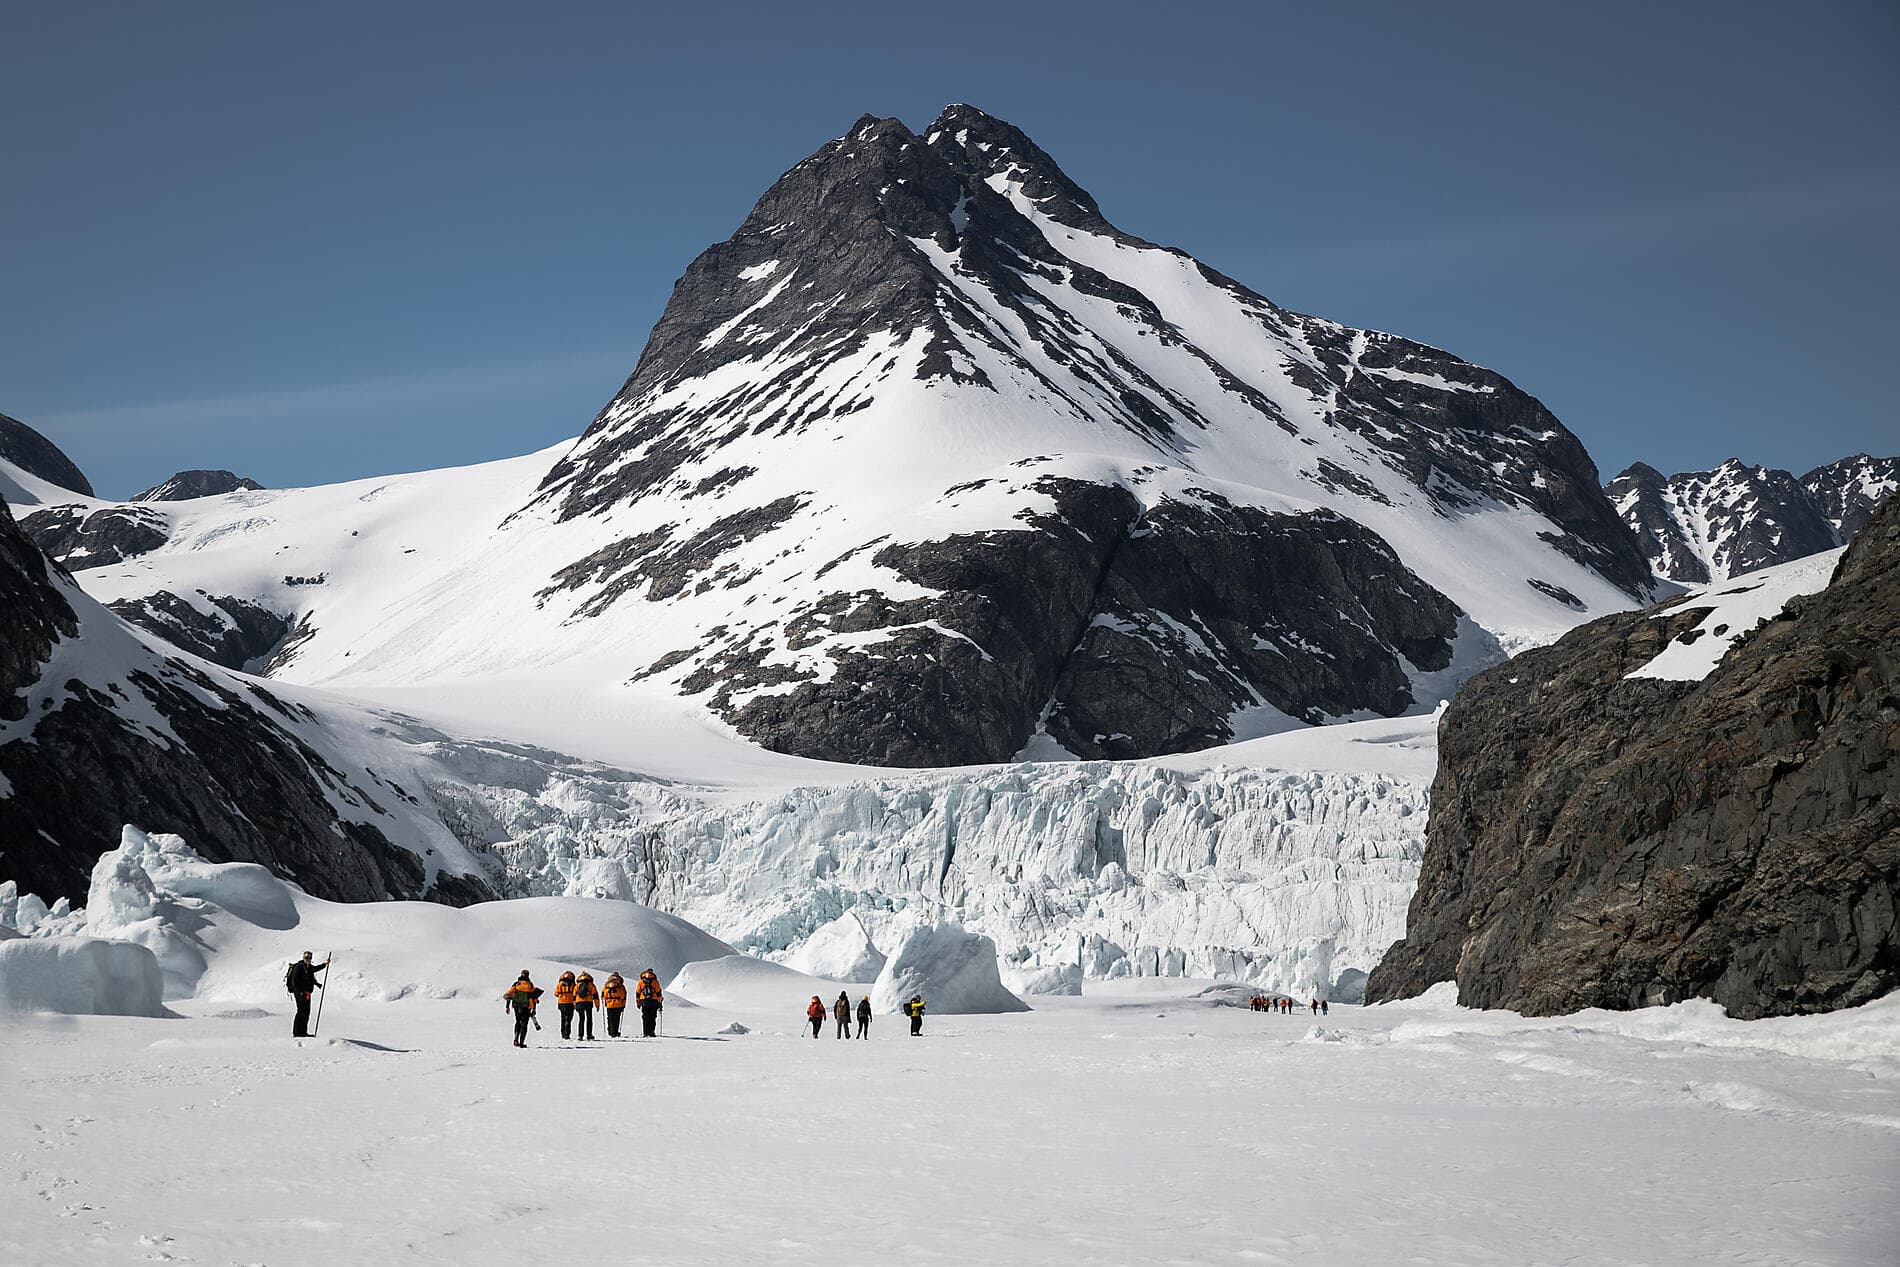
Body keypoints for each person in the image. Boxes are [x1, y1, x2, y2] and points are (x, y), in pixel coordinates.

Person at [286, 951, 328, 1037]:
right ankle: (297, 1033)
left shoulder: (309, 967)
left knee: (306, 1012)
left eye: (309, 958)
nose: (308, 959)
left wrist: (325, 964)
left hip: (307, 994)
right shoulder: (299, 967)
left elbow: (316, 968)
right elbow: (295, 982)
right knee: (301, 1012)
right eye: (306, 958)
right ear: (303, 958)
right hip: (300, 994)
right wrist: (300, 993)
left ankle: (303, 1032)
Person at [502, 971, 542, 1048]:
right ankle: (521, 1042)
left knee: (517, 1021)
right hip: (526, 1007)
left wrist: (507, 1006)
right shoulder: (530, 985)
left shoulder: (516, 984)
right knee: (524, 1024)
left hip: (516, 1006)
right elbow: (534, 998)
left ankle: (515, 1039)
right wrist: (534, 1009)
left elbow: (509, 995)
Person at [636, 969, 664, 1038]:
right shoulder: (655, 981)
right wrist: (660, 1003)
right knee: (652, 1017)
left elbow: (638, 992)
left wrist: (638, 1002)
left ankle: (645, 1032)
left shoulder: (641, 981)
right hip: (653, 1001)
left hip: (644, 1001)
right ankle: (651, 1032)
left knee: (645, 1017)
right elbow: (658, 992)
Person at [574, 972, 599, 1040]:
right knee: (589, 1019)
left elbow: (574, 995)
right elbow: (595, 996)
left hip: (579, 1003)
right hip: (588, 1003)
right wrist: (597, 1005)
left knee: (581, 1019)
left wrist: (574, 1004)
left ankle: (580, 1035)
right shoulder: (591, 985)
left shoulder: (577, 985)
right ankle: (589, 1034)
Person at [602, 972, 627, 1038]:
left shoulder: (606, 984)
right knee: (616, 1018)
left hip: (609, 1004)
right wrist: (623, 1004)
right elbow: (623, 995)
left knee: (610, 1018)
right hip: (618, 1004)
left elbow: (603, 995)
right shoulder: (620, 985)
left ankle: (610, 1031)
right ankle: (615, 1032)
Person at [554, 971, 578, 1039]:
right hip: (570, 1003)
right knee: (569, 1019)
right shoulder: (573, 984)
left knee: (563, 1018)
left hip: (561, 1003)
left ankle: (563, 1033)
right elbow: (576, 993)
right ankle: (567, 1034)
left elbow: (556, 993)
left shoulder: (560, 984)